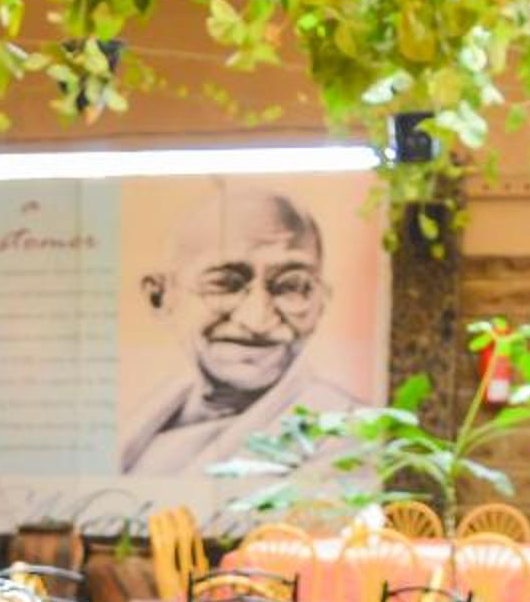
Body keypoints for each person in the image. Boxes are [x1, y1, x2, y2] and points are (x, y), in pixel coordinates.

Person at [117, 190, 362, 489]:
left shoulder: (344, 433)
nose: (257, 320)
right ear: (160, 296)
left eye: (291, 285)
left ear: (321, 301)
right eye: (225, 283)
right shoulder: (144, 422)